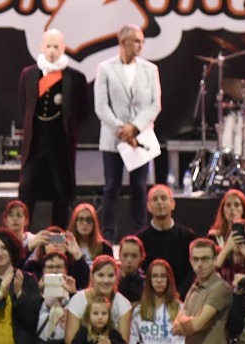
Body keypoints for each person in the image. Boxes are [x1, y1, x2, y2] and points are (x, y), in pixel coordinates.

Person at [94, 25, 160, 243]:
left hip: (140, 138)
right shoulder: (105, 68)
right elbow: (101, 106)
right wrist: (121, 129)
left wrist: (135, 128)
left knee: (139, 188)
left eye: (142, 41)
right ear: (123, 42)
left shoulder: (150, 69)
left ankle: (141, 234)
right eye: (136, 41)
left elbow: (154, 105)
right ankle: (108, 236)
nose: (141, 45)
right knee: (111, 187)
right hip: (114, 139)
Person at [18, 30, 88, 228]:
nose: (51, 51)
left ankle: (57, 243)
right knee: (26, 194)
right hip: (35, 147)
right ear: (41, 47)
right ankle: (23, 242)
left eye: (56, 46)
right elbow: (25, 106)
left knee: (61, 196)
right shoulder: (29, 75)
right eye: (48, 46)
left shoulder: (75, 78)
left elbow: (82, 110)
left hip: (60, 147)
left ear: (63, 48)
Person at [138, 185, 197, 296]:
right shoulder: (141, 239)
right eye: (155, 199)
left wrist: (178, 294)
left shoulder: (187, 236)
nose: (160, 202)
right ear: (148, 207)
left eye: (164, 198)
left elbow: (192, 271)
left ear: (173, 204)